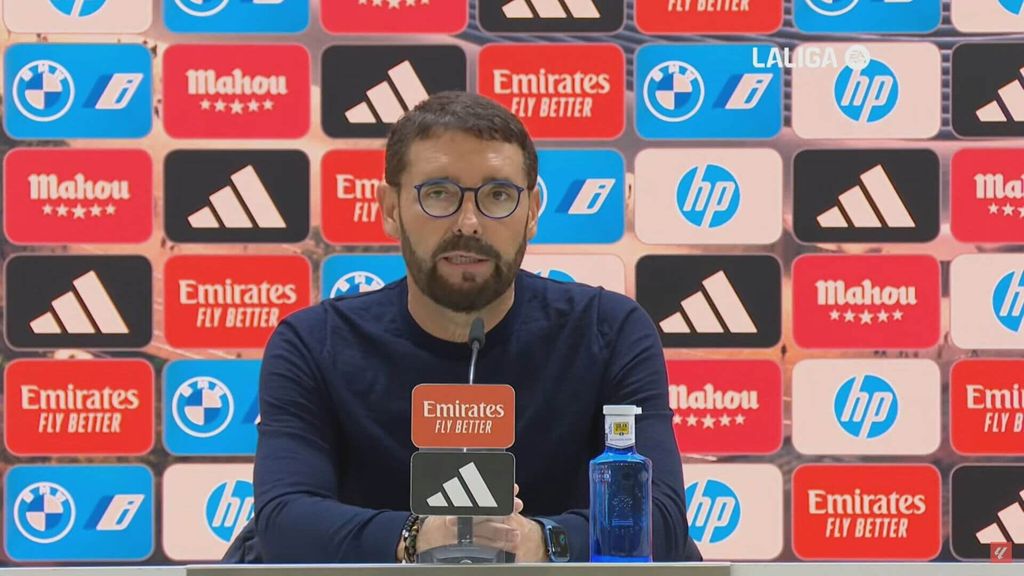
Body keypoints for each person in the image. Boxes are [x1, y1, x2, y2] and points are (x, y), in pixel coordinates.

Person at [248, 91, 702, 563]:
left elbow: (661, 520)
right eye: (438, 192)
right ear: (389, 208)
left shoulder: (608, 332)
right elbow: (283, 521)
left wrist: (542, 541)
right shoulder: (313, 343)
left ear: (531, 215)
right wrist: (419, 536)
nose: (469, 223)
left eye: (498, 196)